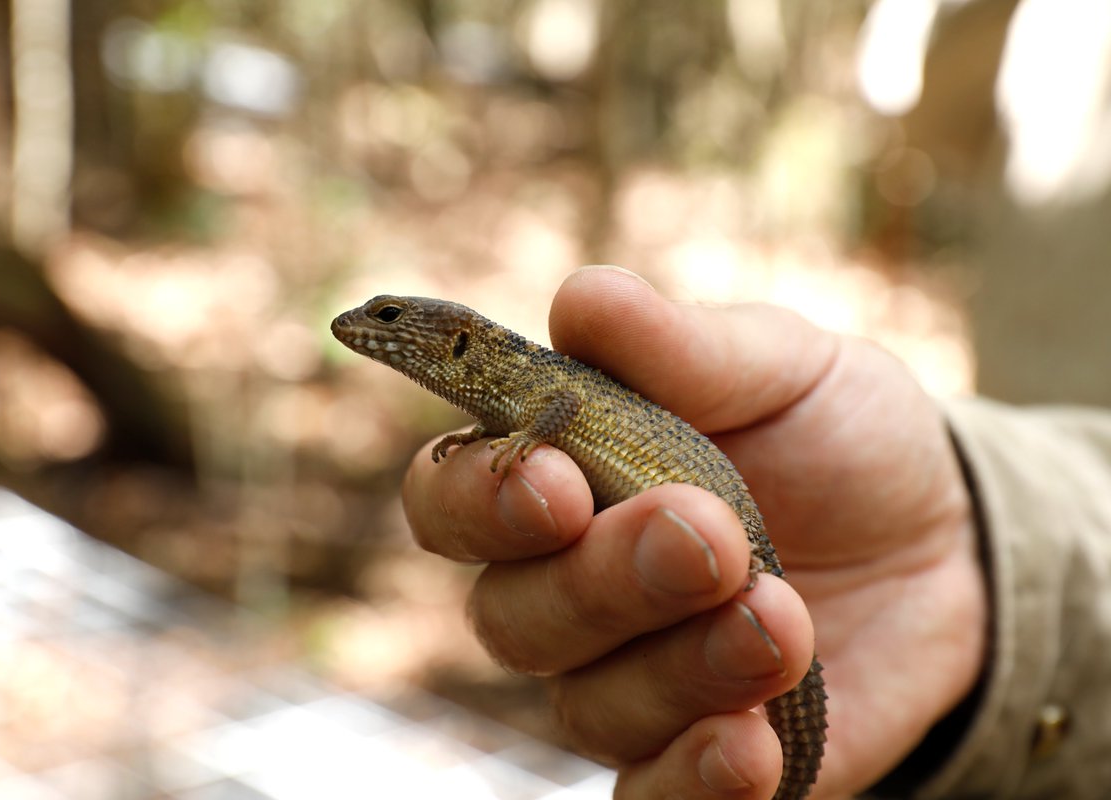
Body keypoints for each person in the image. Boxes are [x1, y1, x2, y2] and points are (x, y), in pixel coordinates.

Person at [400, 266, 1111, 799]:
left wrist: (518, 438)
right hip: (728, 554)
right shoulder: (506, 386)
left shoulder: (531, 384)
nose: (372, 329)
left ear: (458, 340)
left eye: (394, 318)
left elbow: (556, 405)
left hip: (734, 540)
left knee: (730, 628)